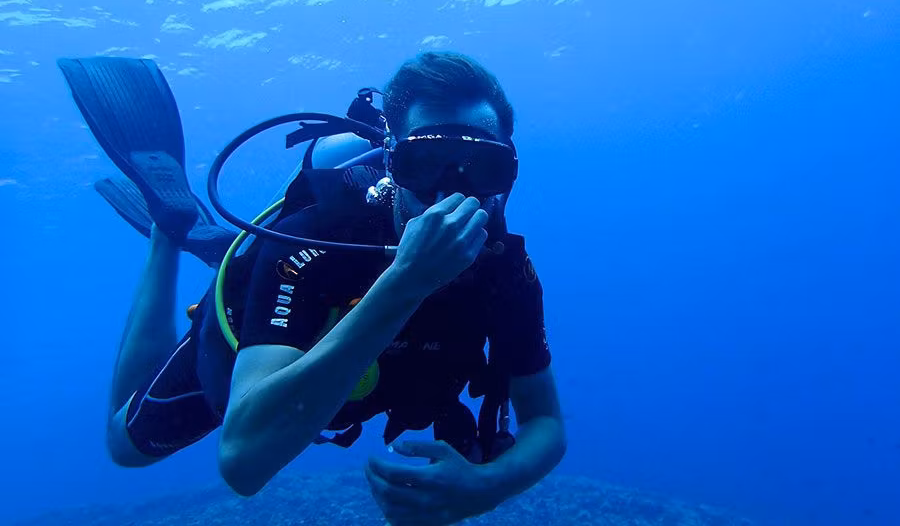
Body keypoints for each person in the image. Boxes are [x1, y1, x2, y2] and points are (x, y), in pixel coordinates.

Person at [59, 51, 566, 525]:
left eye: (483, 168)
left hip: (343, 369)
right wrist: (407, 281)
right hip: (271, 311)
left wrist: (489, 486)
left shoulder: (504, 271)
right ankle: (168, 231)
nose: (450, 192)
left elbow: (544, 420)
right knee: (124, 448)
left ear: (509, 173)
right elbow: (242, 464)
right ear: (392, 163)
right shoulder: (314, 240)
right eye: (424, 164)